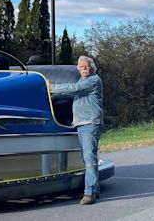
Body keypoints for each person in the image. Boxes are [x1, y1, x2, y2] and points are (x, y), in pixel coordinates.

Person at [49, 55, 103, 205]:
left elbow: (73, 89)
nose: (84, 68)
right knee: (88, 157)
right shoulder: (82, 80)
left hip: (90, 123)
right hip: (81, 124)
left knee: (89, 159)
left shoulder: (93, 80)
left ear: (92, 68)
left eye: (86, 66)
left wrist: (49, 87)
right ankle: (95, 189)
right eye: (81, 66)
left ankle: (89, 193)